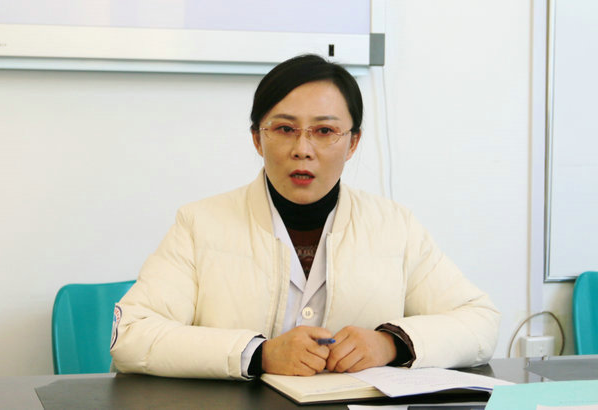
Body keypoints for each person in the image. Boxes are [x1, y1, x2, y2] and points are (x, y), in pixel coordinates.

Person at [110, 54, 500, 380]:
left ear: (352, 142)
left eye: (324, 131)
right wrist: (258, 354)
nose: (303, 149)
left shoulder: (395, 226)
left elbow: (479, 321)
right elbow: (131, 334)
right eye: (284, 129)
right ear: (257, 138)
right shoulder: (200, 224)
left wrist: (389, 343)